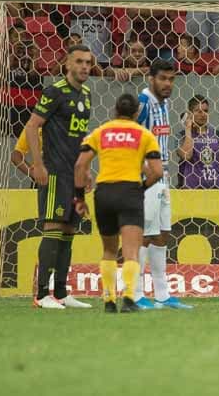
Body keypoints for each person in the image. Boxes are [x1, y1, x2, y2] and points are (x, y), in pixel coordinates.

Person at [74, 94, 164, 313]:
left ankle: (108, 300)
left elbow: (80, 165)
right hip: (130, 192)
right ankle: (129, 299)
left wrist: (79, 197)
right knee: (131, 251)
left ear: (114, 110)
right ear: (135, 113)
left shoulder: (100, 132)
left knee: (109, 250)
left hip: (104, 193)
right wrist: (141, 189)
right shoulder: (144, 135)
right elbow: (157, 172)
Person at [23, 44, 94, 310]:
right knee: (53, 226)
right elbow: (32, 126)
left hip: (74, 174)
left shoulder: (86, 94)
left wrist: (85, 170)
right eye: (79, 62)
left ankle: (62, 293)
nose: (85, 66)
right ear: (67, 64)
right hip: (54, 172)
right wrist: (38, 164)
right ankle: (41, 295)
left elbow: (80, 136)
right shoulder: (54, 92)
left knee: (69, 230)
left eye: (88, 62)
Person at [134, 59, 193, 310]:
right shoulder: (144, 102)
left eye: (171, 79)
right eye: (163, 79)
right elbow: (132, 136)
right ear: (151, 78)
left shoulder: (165, 103)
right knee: (144, 235)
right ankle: (135, 294)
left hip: (164, 177)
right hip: (146, 178)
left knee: (161, 234)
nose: (168, 84)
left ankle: (161, 294)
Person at [177, 94, 219, 189]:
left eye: (205, 111)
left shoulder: (217, 134)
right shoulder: (181, 135)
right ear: (190, 113)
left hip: (215, 189)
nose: (203, 114)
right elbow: (187, 155)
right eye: (198, 111)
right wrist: (188, 128)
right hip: (192, 191)